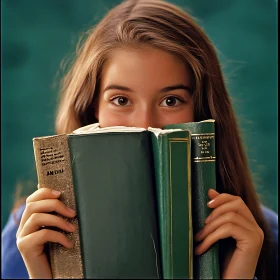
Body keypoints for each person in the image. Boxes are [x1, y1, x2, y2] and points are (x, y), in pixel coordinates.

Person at [1, 0, 277, 279]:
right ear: (92, 108)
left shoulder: (261, 238)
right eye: (121, 100)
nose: (145, 125)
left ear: (203, 112)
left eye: (171, 100)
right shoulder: (30, 238)